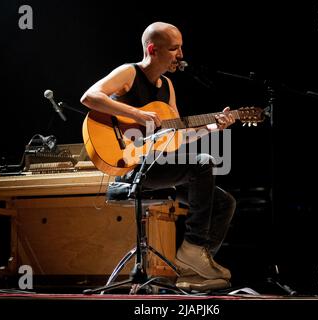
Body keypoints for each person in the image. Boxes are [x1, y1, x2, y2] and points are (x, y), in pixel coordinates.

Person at [80, 22, 236, 291]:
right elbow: (89, 97)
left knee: (224, 202)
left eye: (181, 48)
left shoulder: (168, 86)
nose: (180, 55)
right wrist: (138, 115)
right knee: (202, 164)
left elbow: (176, 136)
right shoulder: (129, 73)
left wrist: (212, 127)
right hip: (133, 166)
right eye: (174, 48)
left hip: (160, 166)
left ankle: (193, 271)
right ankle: (193, 247)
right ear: (152, 49)